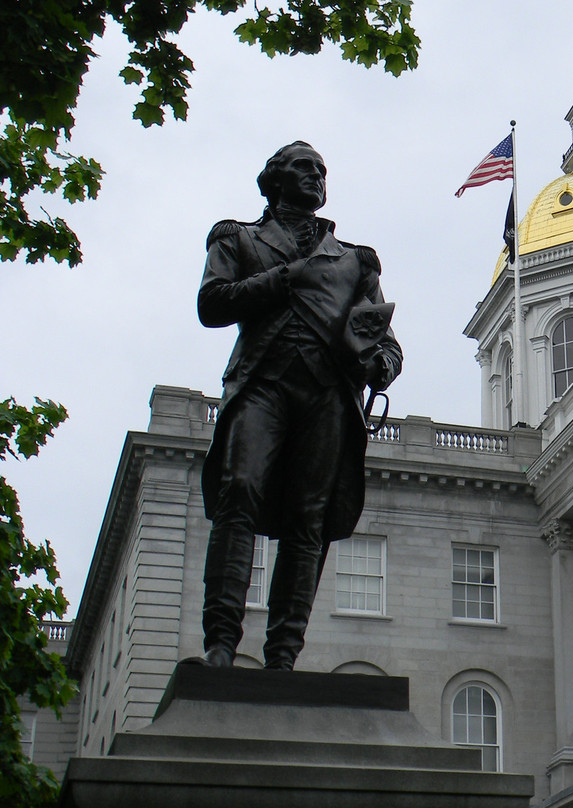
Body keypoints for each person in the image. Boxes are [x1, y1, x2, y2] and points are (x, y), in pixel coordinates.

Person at [195, 141, 402, 670]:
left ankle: (284, 657)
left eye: (321, 171)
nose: (316, 177)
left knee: (308, 519)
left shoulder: (355, 260)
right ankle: (221, 643)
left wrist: (380, 366)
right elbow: (212, 304)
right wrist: (284, 279)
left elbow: (386, 342)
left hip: (326, 393)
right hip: (262, 383)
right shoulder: (238, 237)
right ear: (275, 179)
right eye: (304, 168)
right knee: (240, 490)